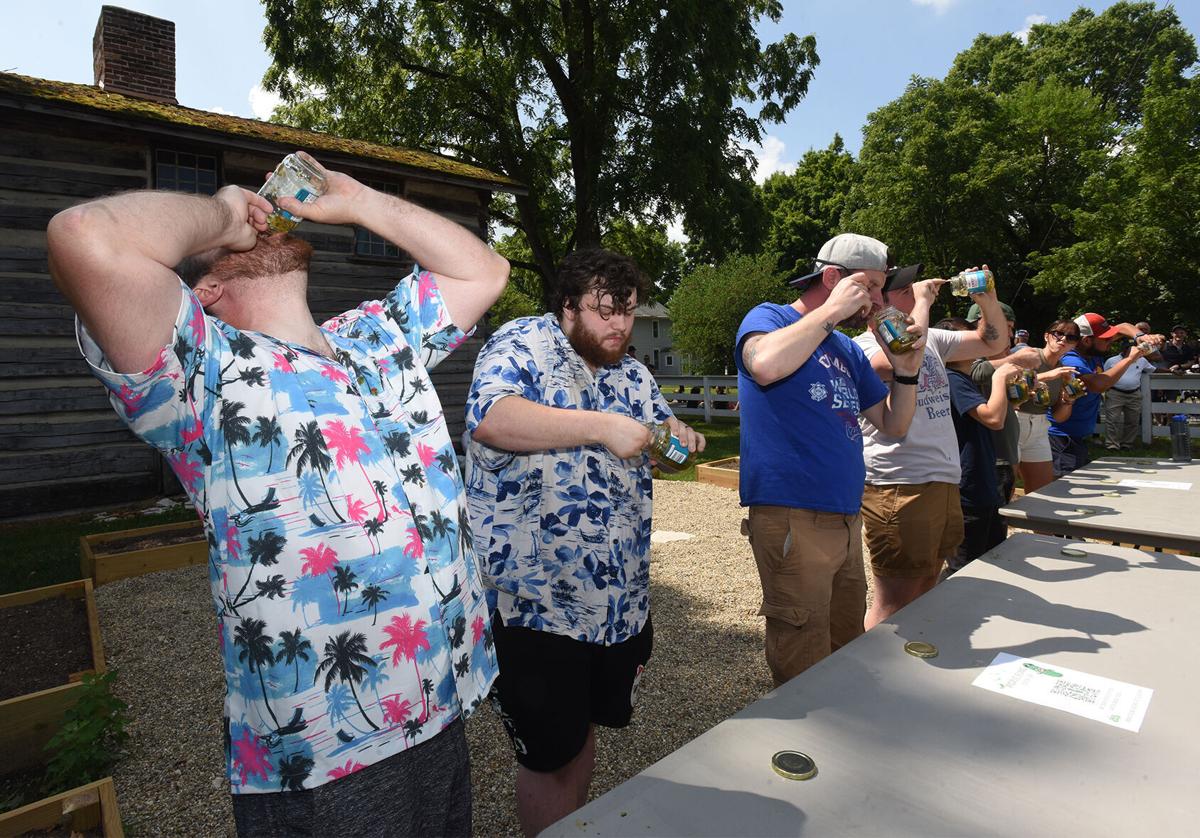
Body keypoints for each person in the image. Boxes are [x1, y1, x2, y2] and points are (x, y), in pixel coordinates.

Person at [47, 152, 508, 837]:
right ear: (202, 292)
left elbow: (485, 271)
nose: (262, 226)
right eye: (230, 247)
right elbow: (84, 235)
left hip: (440, 708)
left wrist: (357, 200)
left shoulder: (377, 337)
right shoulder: (200, 371)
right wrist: (224, 215)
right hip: (327, 759)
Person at [463, 248, 703, 837]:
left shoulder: (633, 373)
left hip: (618, 604)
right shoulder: (522, 344)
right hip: (536, 603)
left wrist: (679, 441)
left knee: (583, 731)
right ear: (568, 305)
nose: (620, 324)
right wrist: (601, 426)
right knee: (548, 755)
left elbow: (656, 442)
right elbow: (491, 418)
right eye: (604, 310)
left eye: (627, 310)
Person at [735, 233, 924, 686]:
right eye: (872, 286)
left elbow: (895, 424)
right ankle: (802, 745)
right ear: (834, 277)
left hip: (845, 518)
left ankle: (840, 738)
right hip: (791, 514)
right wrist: (833, 311)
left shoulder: (846, 349)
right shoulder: (770, 317)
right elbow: (763, 364)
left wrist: (908, 369)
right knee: (801, 653)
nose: (879, 299)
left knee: (845, 644)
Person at [855, 266, 1009, 629]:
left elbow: (993, 342)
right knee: (893, 600)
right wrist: (923, 302)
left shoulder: (934, 338)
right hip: (899, 485)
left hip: (940, 482)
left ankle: (907, 661)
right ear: (880, 301)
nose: (917, 291)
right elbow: (904, 353)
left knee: (926, 585)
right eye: (906, 289)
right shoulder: (860, 348)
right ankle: (871, 673)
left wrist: (986, 298)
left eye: (916, 287)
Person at [938, 317, 1022, 575]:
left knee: (990, 559)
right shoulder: (952, 377)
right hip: (969, 490)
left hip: (982, 483)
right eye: (967, 339)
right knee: (965, 570)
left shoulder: (961, 378)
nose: (975, 343)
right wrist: (999, 377)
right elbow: (993, 419)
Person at [1048, 313, 1160, 475]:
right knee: (1061, 487)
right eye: (1106, 339)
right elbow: (1098, 384)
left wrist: (1142, 336)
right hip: (1060, 439)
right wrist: (1129, 359)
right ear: (1087, 340)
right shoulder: (1070, 359)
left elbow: (1122, 327)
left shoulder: (1092, 348)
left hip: (1074, 437)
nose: (1111, 342)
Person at [1008, 320, 1084, 494]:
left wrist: (1069, 400)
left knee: (1041, 491)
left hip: (1040, 428)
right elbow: (1009, 386)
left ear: (1075, 344)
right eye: (1059, 333)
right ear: (1046, 336)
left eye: (1071, 337)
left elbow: (1058, 417)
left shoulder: (1064, 371)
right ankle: (1002, 521)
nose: (1063, 339)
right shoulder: (1029, 355)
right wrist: (1048, 376)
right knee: (1005, 488)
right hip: (1014, 422)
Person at [965, 302, 1023, 505]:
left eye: (1010, 328)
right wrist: (1015, 361)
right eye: (1004, 327)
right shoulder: (966, 354)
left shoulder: (1002, 354)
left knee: (1002, 512)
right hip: (988, 453)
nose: (1009, 334)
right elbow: (976, 372)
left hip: (1006, 448)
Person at [1103, 345, 1155, 450]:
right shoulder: (1111, 361)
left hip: (1134, 394)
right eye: (1131, 349)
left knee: (1132, 420)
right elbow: (1103, 375)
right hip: (1115, 393)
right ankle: (1112, 445)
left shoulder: (1141, 360)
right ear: (1123, 349)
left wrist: (1171, 370)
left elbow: (1154, 369)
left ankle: (1127, 444)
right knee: (1112, 419)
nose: (1134, 351)